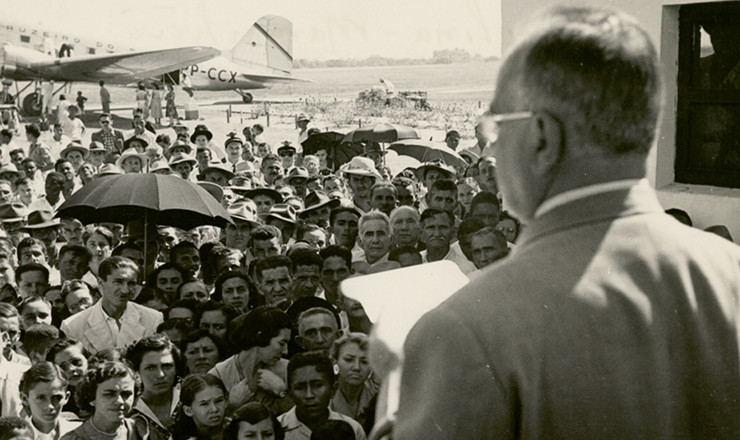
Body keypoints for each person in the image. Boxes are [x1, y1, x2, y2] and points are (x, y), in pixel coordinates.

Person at [395, 7, 740, 440]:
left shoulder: (465, 329)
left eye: (496, 126)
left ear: (542, 136)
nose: (491, 152)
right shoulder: (731, 274)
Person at [61, 256, 163, 353]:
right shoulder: (73, 326)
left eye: (131, 283)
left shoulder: (153, 319)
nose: (125, 290)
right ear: (100, 282)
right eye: (118, 282)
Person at [207, 306, 293, 415]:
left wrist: (281, 392)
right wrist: (231, 406)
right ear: (260, 336)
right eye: (281, 343)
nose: (285, 351)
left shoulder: (287, 369)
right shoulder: (218, 375)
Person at [279, 352, 365, 440]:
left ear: (333, 389)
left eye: (317, 385)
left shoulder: (353, 429)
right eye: (300, 388)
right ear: (290, 393)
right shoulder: (275, 429)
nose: (309, 395)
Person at [60, 361, 147, 440]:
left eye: (126, 394)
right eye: (109, 394)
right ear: (92, 399)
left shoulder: (141, 431)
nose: (119, 401)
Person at [126, 334, 181, 440]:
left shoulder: (189, 398)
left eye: (167, 366)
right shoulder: (129, 410)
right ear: (137, 372)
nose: (160, 375)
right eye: (150, 368)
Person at [328, 333, 378, 432]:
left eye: (364, 362)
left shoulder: (377, 398)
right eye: (349, 360)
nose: (356, 367)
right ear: (335, 362)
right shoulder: (325, 397)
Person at [19, 362, 81, 438]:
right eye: (41, 398)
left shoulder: (79, 432)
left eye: (56, 398)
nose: (50, 406)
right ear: (24, 399)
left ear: (66, 397)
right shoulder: (14, 437)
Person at [172, 374, 227, 440]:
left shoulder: (238, 429)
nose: (214, 409)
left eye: (219, 401)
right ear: (188, 411)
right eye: (204, 404)